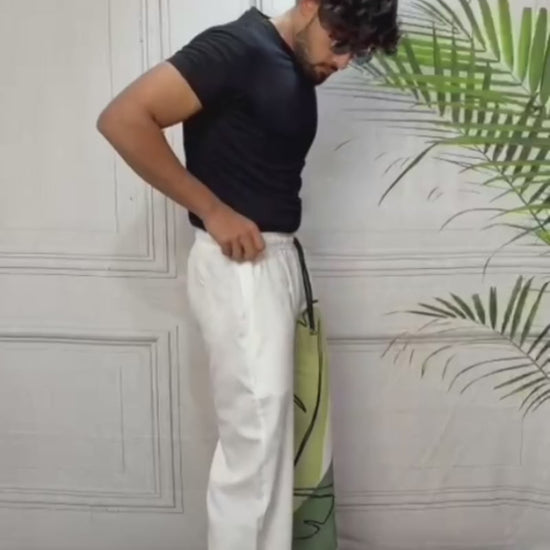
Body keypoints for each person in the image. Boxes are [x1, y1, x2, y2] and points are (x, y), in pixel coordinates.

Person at [96, 0, 400, 548]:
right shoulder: (237, 47)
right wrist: (213, 210)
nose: (344, 61)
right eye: (341, 41)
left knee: (272, 450)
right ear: (310, 5)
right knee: (253, 453)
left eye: (357, 51)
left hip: (274, 262)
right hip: (239, 268)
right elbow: (122, 118)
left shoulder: (288, 61)